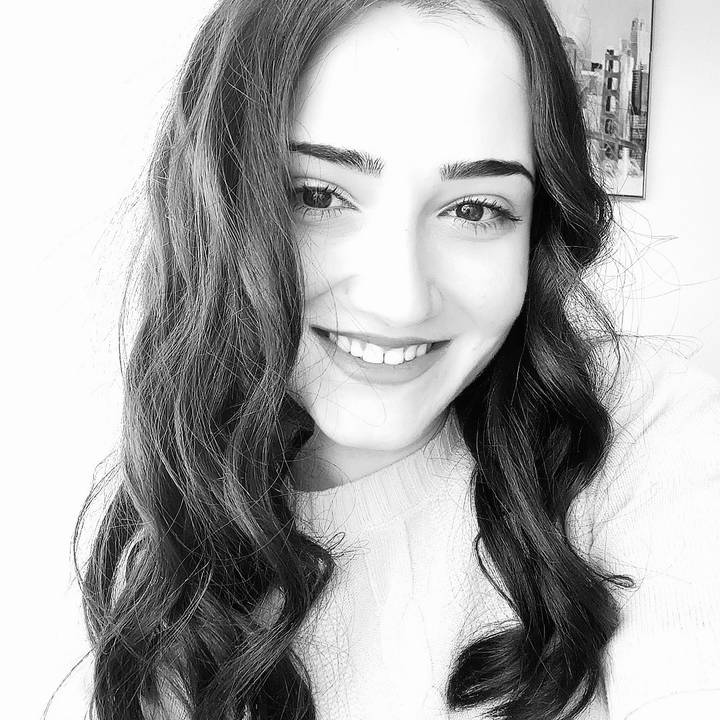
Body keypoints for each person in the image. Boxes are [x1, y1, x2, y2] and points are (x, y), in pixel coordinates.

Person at [59, 0, 720, 719]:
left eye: (475, 209)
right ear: (217, 207)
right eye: (319, 196)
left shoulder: (648, 433)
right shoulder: (160, 548)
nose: (400, 302)